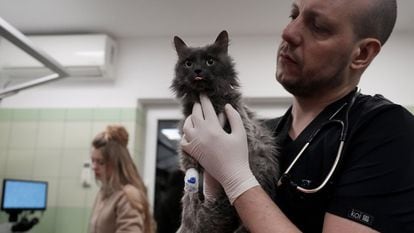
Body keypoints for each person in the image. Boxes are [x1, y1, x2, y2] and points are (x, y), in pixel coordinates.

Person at [180, 0, 414, 232]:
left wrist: (237, 180)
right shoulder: (262, 136)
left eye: (318, 26)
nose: (288, 32)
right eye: (294, 16)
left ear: (361, 53)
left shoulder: (387, 130)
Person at [89, 125, 156, 233]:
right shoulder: (104, 192)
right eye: (93, 161)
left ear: (116, 163)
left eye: (101, 162)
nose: (94, 167)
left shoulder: (128, 196)